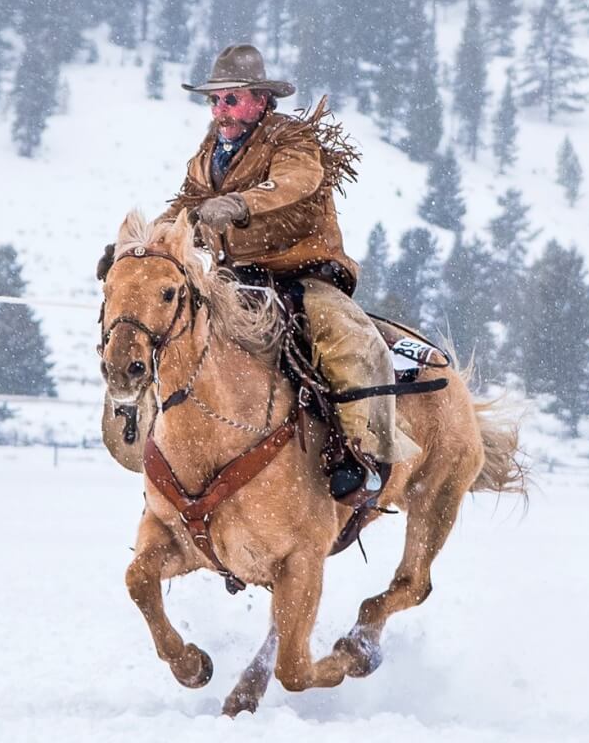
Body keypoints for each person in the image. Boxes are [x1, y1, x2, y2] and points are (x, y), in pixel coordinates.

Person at [157, 45, 416, 499]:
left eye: (231, 99)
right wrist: (143, 247)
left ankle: (361, 453)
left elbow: (296, 183)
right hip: (236, 280)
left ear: (260, 99)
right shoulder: (208, 153)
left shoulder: (292, 140)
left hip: (304, 275)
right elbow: (184, 205)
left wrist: (239, 204)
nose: (221, 110)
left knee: (351, 342)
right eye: (214, 101)